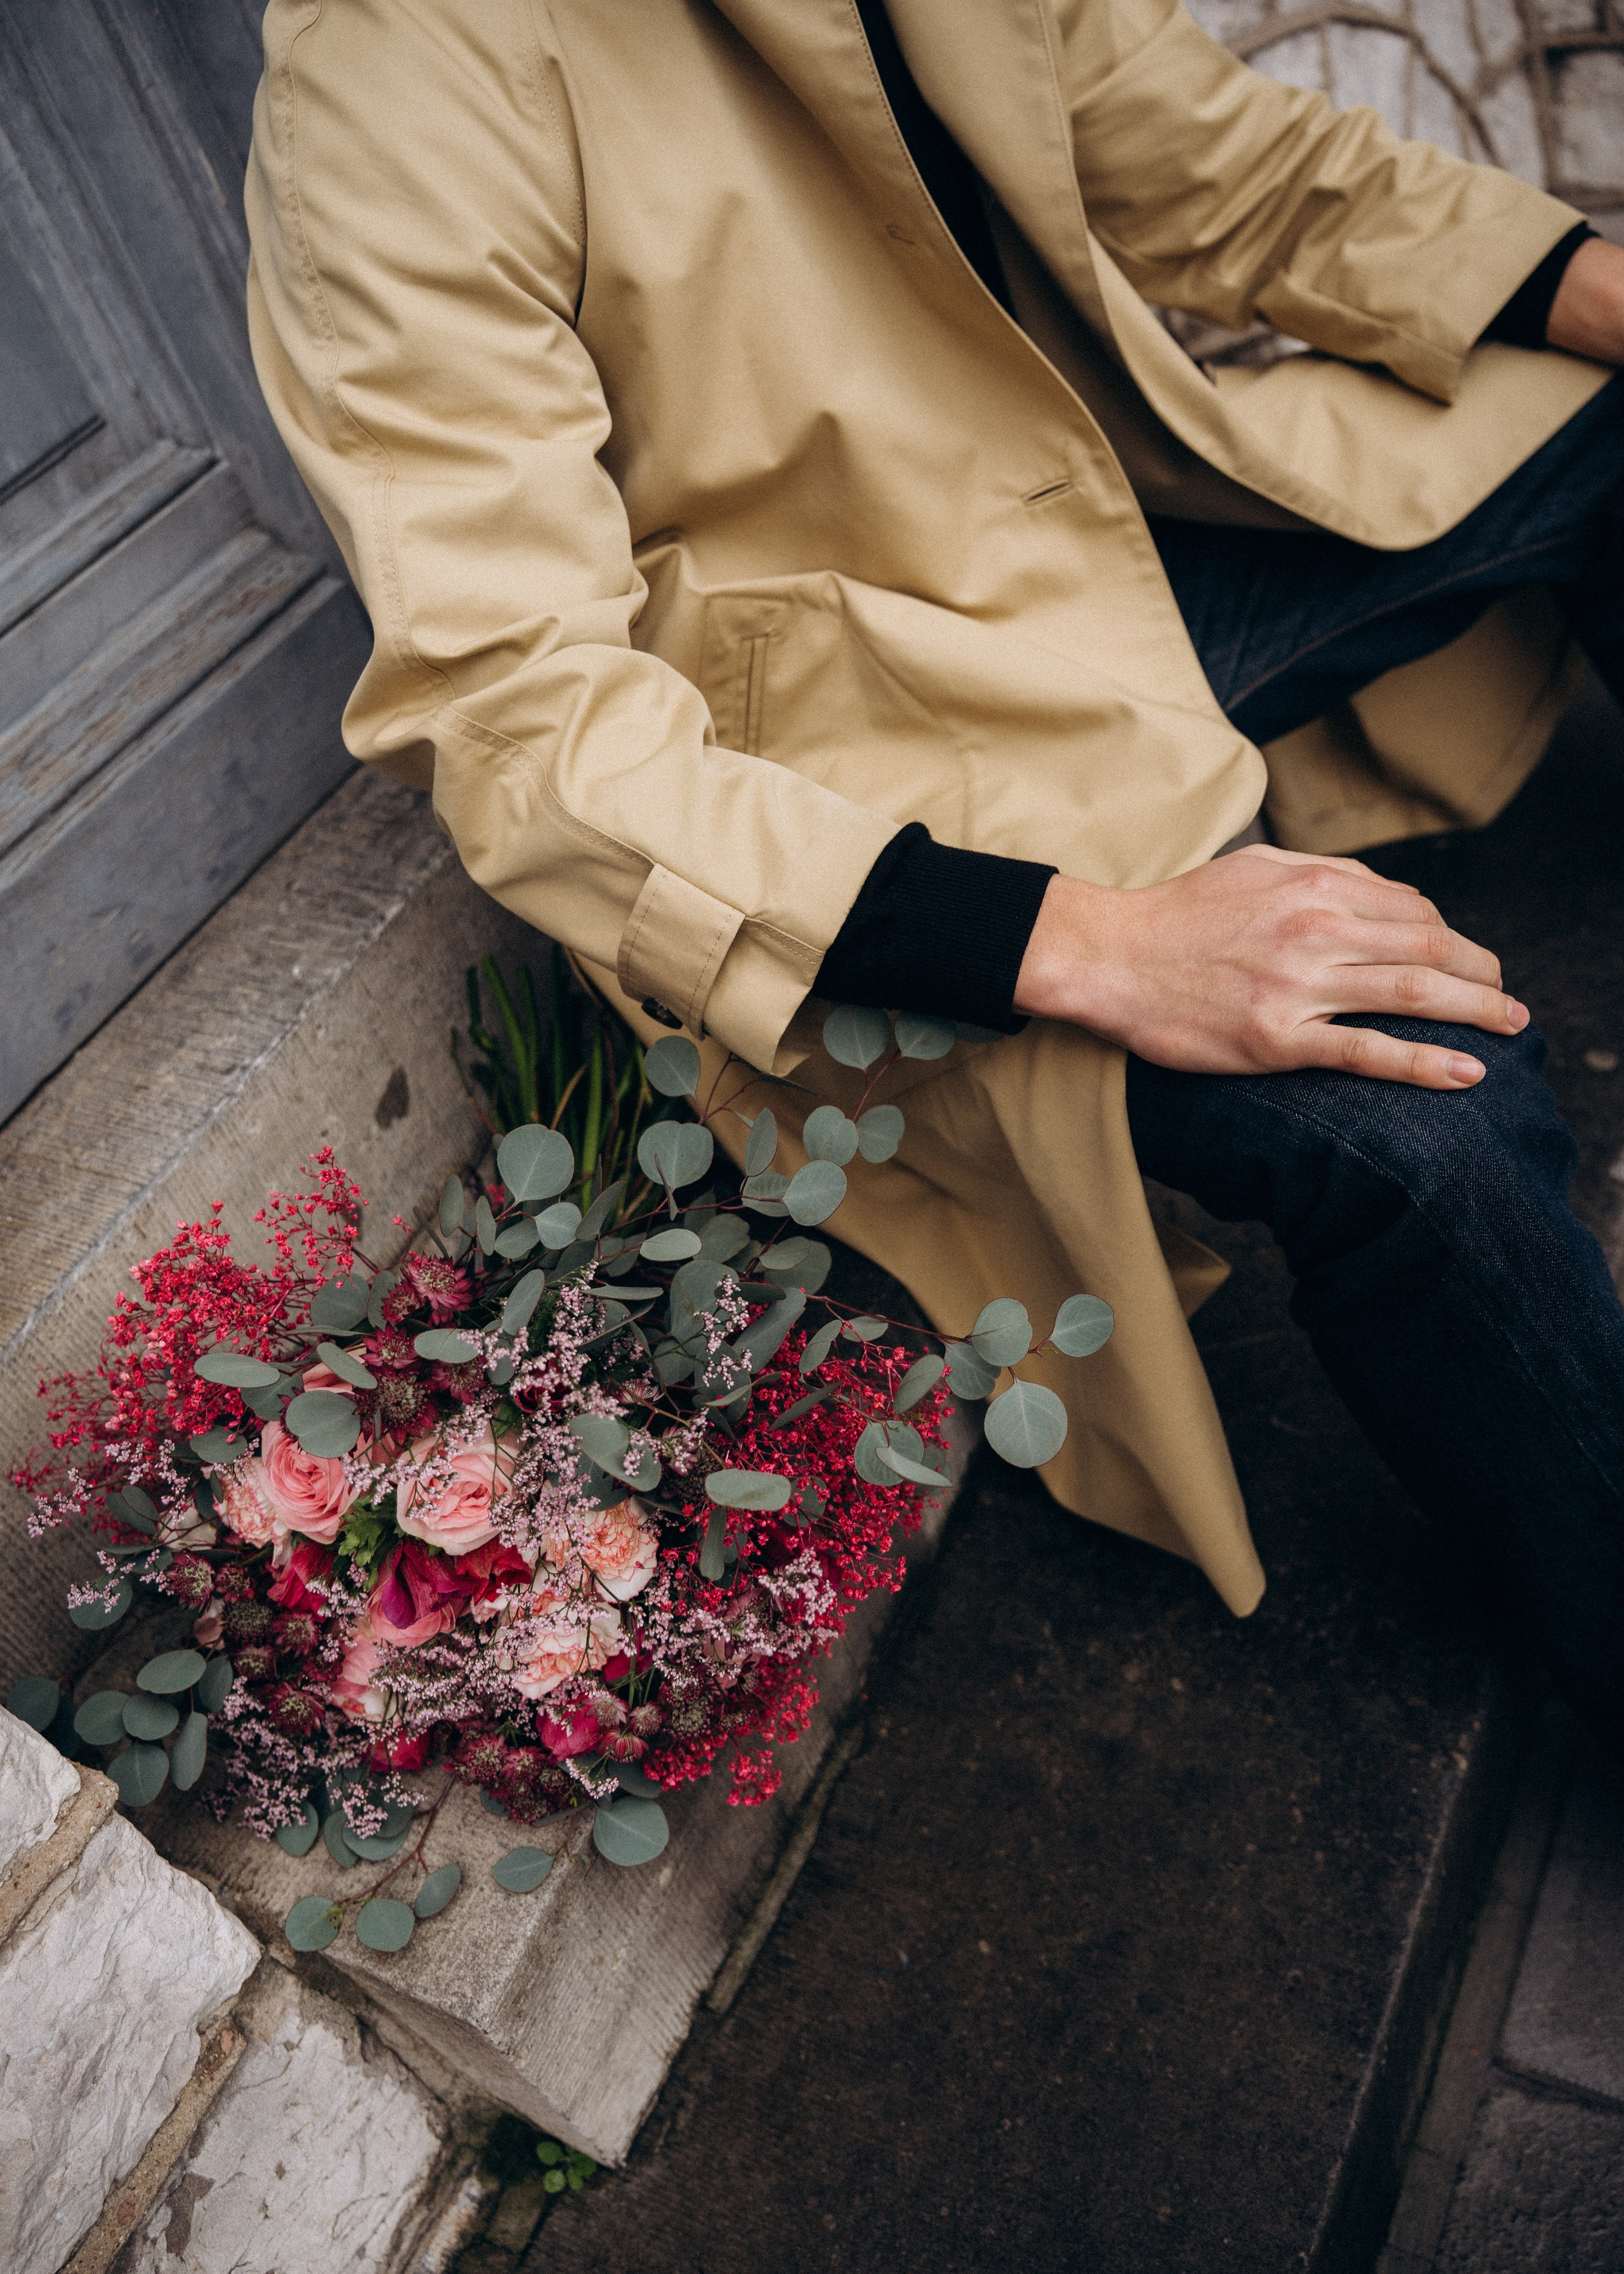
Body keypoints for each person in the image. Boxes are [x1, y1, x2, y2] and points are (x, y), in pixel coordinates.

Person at [244, 0, 1624, 1745]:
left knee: (1604, 393)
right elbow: (522, 712)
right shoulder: (401, 57)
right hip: (855, 760)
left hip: (1098, 568)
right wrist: (1090, 941)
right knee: (1416, 1111)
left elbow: (1245, 169)